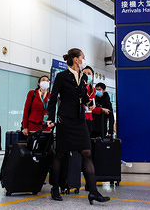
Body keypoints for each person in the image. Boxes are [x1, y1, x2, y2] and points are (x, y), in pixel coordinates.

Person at [47, 48, 110, 204]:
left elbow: (83, 99)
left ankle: (93, 191)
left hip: (79, 120)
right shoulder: (62, 76)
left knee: (87, 152)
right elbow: (53, 98)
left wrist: (91, 101)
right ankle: (55, 187)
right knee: (61, 154)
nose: (84, 60)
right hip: (65, 120)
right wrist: (50, 117)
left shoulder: (82, 78)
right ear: (76, 59)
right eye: (82, 57)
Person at [82, 66, 96, 136]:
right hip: (80, 117)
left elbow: (93, 101)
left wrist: (94, 106)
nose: (86, 75)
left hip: (90, 117)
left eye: (89, 73)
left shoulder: (93, 89)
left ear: (92, 76)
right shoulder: (79, 87)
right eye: (84, 73)